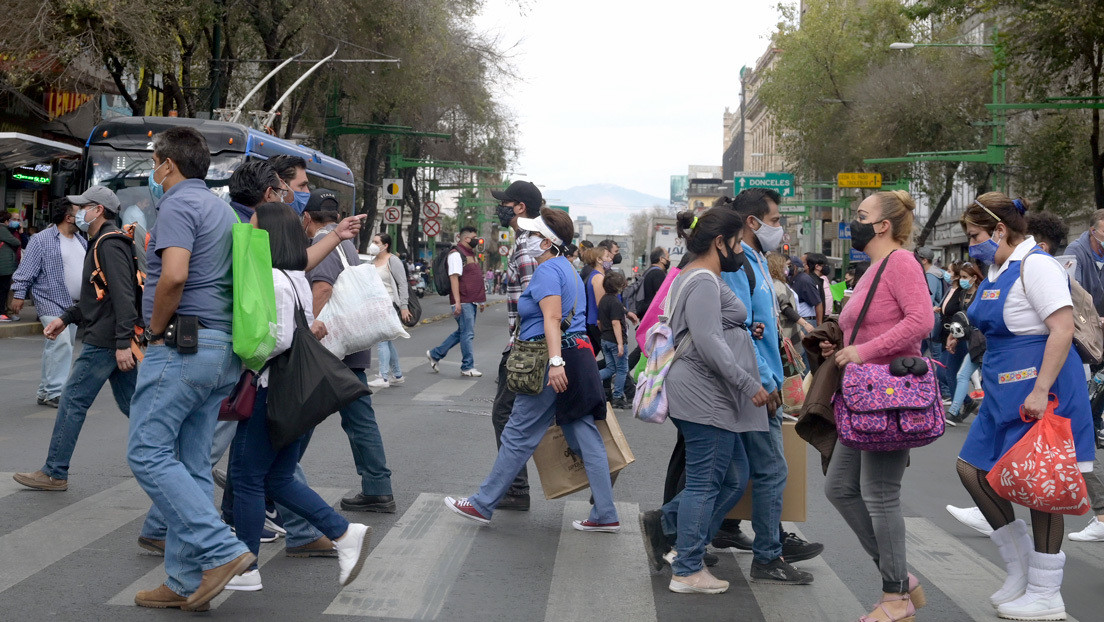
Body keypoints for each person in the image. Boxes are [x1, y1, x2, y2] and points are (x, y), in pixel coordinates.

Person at [126, 127, 255, 611]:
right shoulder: (222, 209)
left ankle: (221, 549)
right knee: (192, 463)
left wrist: (153, 330)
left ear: (168, 165)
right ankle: (182, 579)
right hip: (221, 348)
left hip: (182, 345)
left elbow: (175, 274)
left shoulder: (178, 204)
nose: (154, 171)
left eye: (154, 162)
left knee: (146, 452)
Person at [953, 193, 1095, 621]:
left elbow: (1062, 329)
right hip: (1002, 390)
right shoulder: (999, 267)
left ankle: (1046, 593)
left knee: (1040, 488)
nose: (972, 245)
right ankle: (1019, 571)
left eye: (975, 235)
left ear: (999, 230)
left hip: (1039, 391)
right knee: (971, 469)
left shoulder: (1037, 265)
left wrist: (1040, 390)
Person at [226, 202, 371, 592]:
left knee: (247, 478)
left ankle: (246, 567)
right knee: (277, 477)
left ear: (268, 237)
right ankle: (343, 532)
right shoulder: (294, 277)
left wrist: (246, 356)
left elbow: (278, 340)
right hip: (296, 392)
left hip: (271, 390)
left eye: (254, 228)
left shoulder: (273, 280)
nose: (247, 234)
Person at [445, 208, 618, 534]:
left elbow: (552, 318)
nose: (527, 239)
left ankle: (482, 503)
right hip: (577, 356)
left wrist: (555, 363)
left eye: (534, 235)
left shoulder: (548, 270)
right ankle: (606, 513)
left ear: (548, 242)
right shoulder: (567, 268)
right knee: (585, 434)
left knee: (518, 433)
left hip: (549, 361)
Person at [638, 207, 770, 594]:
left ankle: (668, 526)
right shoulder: (702, 281)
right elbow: (708, 341)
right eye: (738, 243)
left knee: (734, 476)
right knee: (705, 483)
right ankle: (687, 567)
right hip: (704, 394)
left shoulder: (700, 276)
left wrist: (741, 327)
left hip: (706, 392)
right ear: (720, 242)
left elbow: (720, 322)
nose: (741, 251)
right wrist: (748, 384)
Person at [819, 190, 934, 622]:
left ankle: (896, 596)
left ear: (884, 225)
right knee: (839, 488)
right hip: (864, 397)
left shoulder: (901, 262)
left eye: (862, 215)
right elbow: (872, 324)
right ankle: (900, 576)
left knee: (881, 494)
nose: (854, 222)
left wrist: (863, 352)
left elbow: (921, 321)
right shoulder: (873, 268)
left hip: (889, 398)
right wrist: (840, 343)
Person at [713, 189, 823, 581]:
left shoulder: (759, 261)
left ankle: (676, 531)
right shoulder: (738, 264)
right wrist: (763, 380)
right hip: (754, 386)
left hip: (762, 381)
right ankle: (768, 556)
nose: (781, 228)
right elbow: (737, 329)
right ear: (752, 221)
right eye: (775, 220)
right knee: (770, 470)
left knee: (738, 474)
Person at [12, 187, 139, 492]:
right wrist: (66, 318)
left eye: (84, 207)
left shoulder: (108, 244)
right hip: (111, 337)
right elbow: (97, 296)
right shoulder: (99, 241)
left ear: (99, 210)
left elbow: (124, 296)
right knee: (137, 407)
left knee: (72, 402)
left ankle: (54, 472)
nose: (78, 212)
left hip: (105, 340)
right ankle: (178, 458)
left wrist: (123, 342)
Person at [302, 189, 397, 513]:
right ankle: (378, 487)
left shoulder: (323, 244)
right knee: (359, 419)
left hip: (328, 347)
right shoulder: (345, 245)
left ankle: (266, 482)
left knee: (296, 415)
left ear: (307, 217)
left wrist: (305, 332)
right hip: (350, 346)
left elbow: (322, 289)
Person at [490, 180, 546, 511]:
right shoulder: (532, 242)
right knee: (516, 415)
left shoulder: (527, 247)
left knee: (505, 414)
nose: (500, 208)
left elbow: (535, 301)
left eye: (505, 203)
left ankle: (515, 489)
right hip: (528, 344)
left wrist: (521, 349)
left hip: (526, 347)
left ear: (520, 208)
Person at [11, 199, 85, 407]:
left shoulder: (81, 239)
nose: (83, 216)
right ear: (68, 217)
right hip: (49, 299)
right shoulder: (41, 239)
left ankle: (45, 390)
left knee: (57, 345)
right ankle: (54, 392)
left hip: (72, 304)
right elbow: (26, 270)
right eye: (79, 212)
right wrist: (19, 294)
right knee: (61, 343)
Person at [427, 225, 486, 377]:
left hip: (471, 300)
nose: (477, 240)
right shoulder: (456, 254)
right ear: (466, 238)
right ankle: (467, 366)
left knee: (462, 332)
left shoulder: (470, 253)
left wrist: (480, 300)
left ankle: (435, 354)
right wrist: (457, 302)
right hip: (464, 301)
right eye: (474, 238)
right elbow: (454, 278)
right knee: (467, 334)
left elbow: (474, 277)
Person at [943, 263, 984, 426]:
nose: (962, 280)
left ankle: (957, 411)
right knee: (961, 375)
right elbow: (962, 319)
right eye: (960, 277)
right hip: (971, 341)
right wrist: (954, 337)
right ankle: (954, 412)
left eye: (965, 277)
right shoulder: (962, 294)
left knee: (986, 379)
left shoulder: (981, 293)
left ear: (974, 278)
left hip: (982, 341)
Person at [371, 232, 412, 388]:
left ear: (385, 245)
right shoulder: (372, 261)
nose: (373, 245)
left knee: (382, 339)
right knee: (387, 340)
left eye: (376, 242)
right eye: (373, 241)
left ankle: (383, 377)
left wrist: (404, 307)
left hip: (388, 304)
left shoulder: (393, 260)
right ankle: (397, 374)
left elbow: (402, 283)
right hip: (375, 305)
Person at [936, 263, 977, 404]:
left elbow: (962, 316)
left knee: (952, 373)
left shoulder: (966, 293)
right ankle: (965, 402)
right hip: (948, 334)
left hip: (962, 336)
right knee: (945, 372)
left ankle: (957, 407)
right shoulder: (955, 291)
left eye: (949, 270)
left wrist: (955, 336)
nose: (946, 273)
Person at [769, 252, 814, 367]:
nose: (788, 268)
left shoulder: (778, 283)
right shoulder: (777, 284)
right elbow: (786, 308)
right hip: (787, 334)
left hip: (790, 332)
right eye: (786, 265)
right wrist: (804, 324)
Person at [598, 270, 630, 408]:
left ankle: (591, 380)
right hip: (615, 340)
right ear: (618, 286)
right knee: (622, 369)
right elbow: (616, 323)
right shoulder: (616, 302)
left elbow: (599, 322)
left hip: (605, 339)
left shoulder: (603, 300)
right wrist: (620, 344)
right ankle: (617, 396)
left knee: (610, 368)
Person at [916, 246, 947, 360]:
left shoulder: (930, 276)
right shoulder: (936, 272)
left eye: (916, 258)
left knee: (935, 354)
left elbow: (928, 300)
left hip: (932, 319)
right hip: (932, 318)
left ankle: (937, 372)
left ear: (924, 260)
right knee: (920, 351)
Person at [580, 242, 613, 348]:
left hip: (595, 322)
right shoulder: (599, 278)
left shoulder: (598, 276)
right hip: (597, 323)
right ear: (599, 260)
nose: (610, 259)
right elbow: (601, 304)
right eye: (607, 256)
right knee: (611, 354)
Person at [791, 252, 823, 326]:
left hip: (806, 321)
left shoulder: (804, 280)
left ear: (795, 267)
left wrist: (819, 325)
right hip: (798, 320)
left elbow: (818, 303)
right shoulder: (792, 279)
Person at [0, 210, 20, 322]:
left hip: (5, 265)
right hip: (4, 266)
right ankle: (1, 313)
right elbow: (16, 242)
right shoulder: (3, 229)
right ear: (7, 221)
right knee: (3, 290)